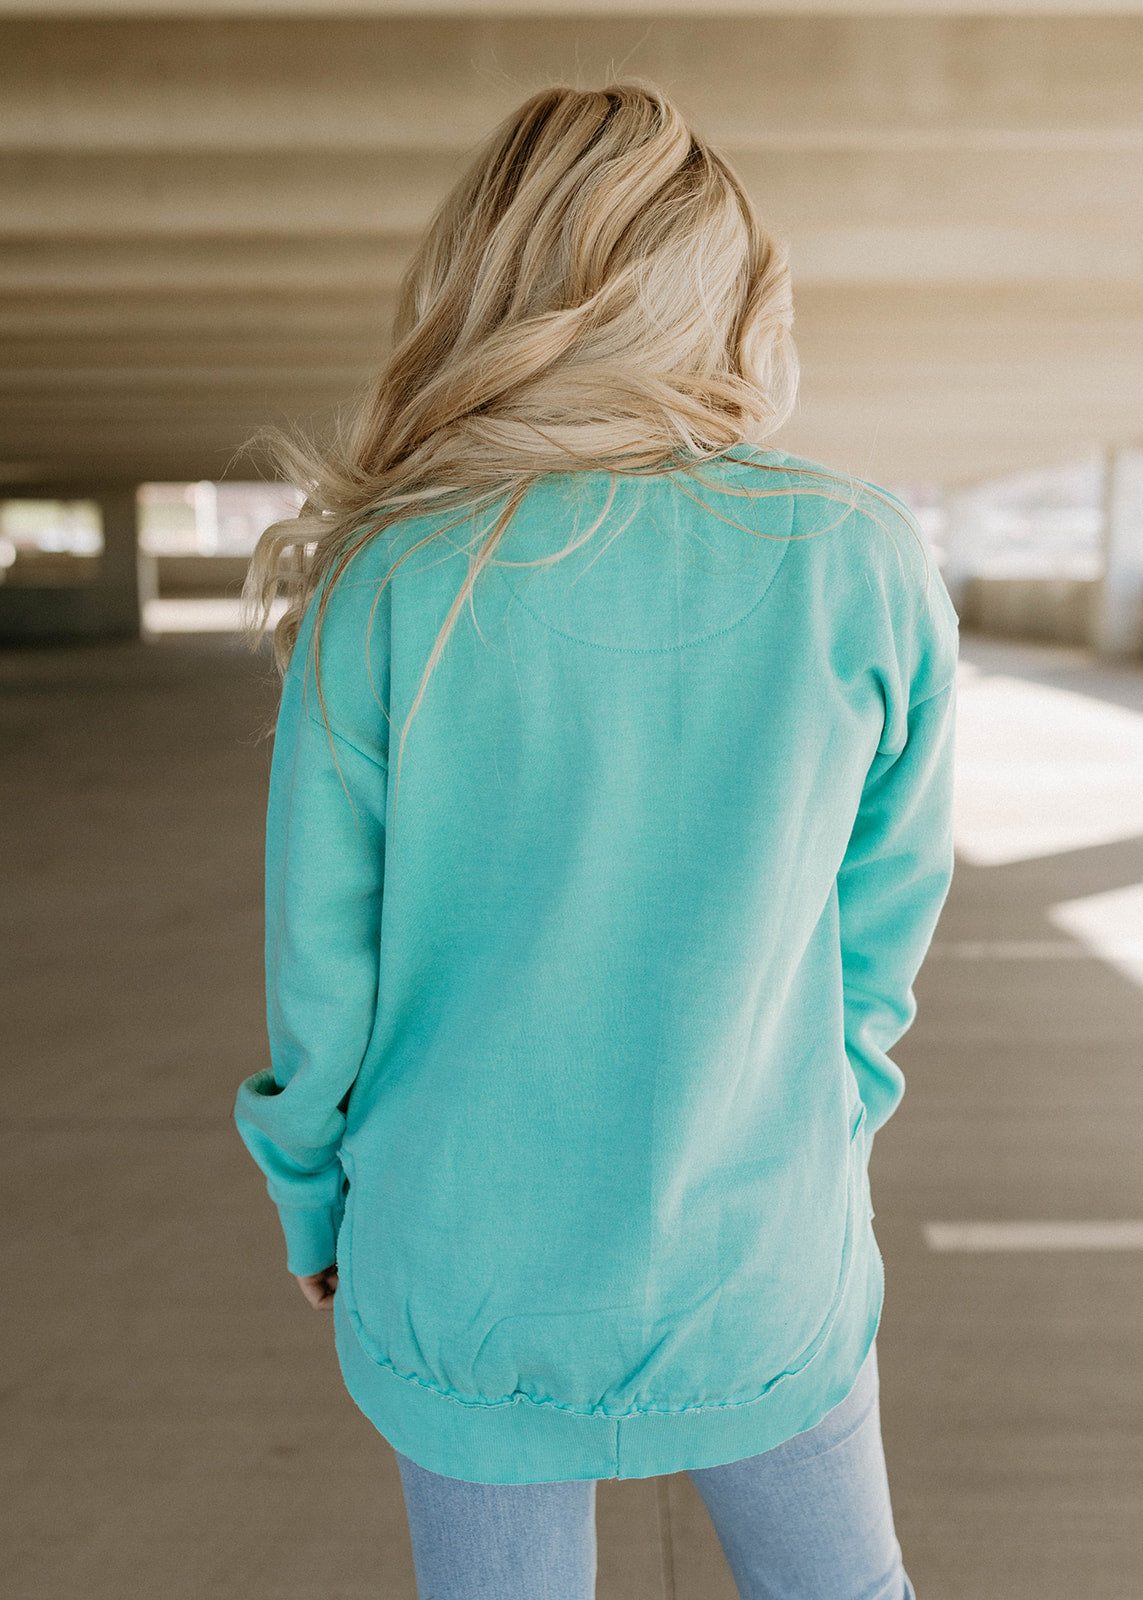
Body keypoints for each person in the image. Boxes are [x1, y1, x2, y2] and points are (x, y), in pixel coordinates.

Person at [233, 80, 955, 1600]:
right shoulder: (856, 557)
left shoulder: (390, 580)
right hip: (762, 1252)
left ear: (487, 285)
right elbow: (881, 931)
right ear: (728, 297)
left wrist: (312, 1201)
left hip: (461, 1273)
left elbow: (322, 970)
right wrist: (833, 1124)